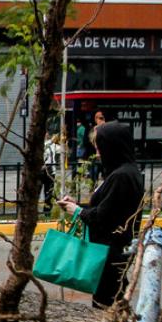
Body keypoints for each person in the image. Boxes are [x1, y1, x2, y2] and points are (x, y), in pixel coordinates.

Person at [60, 121, 144, 310]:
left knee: (107, 300)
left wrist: (77, 211)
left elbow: (104, 216)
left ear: (111, 147)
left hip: (110, 250)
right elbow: (110, 206)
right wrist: (78, 206)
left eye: (100, 148)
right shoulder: (125, 172)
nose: (97, 154)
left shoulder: (122, 176)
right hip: (114, 248)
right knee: (114, 297)